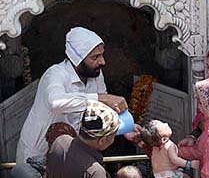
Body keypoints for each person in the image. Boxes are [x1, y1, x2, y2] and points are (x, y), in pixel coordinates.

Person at [16, 27, 128, 163]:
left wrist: (127, 127)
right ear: (77, 59)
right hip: (37, 155)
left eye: (102, 55)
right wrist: (100, 97)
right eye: (95, 57)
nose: (102, 62)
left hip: (69, 154)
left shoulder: (95, 74)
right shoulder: (55, 74)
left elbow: (103, 110)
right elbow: (56, 103)